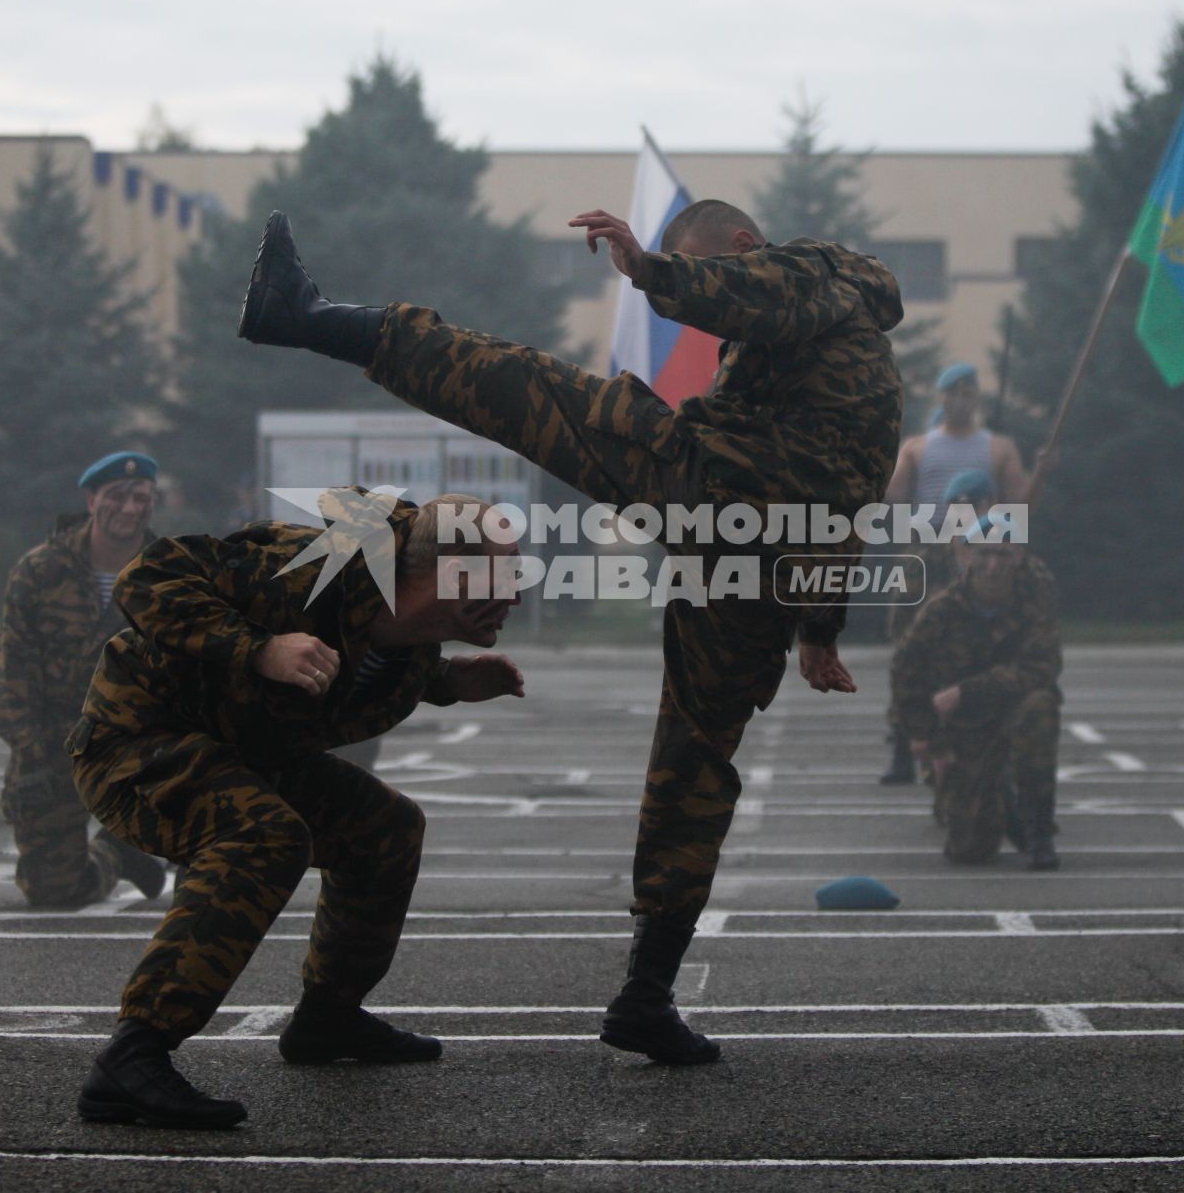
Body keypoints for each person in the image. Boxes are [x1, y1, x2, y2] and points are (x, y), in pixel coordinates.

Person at [236, 201, 903, 1065]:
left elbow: (749, 294)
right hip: (759, 555)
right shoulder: (826, 357)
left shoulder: (821, 273)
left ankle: (310, 317)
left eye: (705, 265)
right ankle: (646, 997)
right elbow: (851, 499)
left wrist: (650, 268)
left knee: (525, 389)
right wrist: (818, 628)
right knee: (693, 763)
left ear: (740, 247)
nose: (707, 303)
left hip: (729, 493)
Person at [67, 489, 527, 1129]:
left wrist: (449, 684)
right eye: (502, 576)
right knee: (265, 835)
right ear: (448, 575)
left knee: (385, 828)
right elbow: (147, 576)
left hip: (252, 753)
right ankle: (132, 1054)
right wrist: (257, 646)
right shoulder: (314, 569)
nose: (515, 595)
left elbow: (355, 670)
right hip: (138, 744)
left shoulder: (411, 641)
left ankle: (327, 1019)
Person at [0, 451, 168, 907]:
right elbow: (11, 676)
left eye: (141, 499)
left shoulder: (171, 574)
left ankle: (183, 851)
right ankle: (115, 853)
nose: (130, 509)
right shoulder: (40, 571)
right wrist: (30, 756)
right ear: (91, 500)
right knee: (54, 893)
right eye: (117, 497)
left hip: (143, 748)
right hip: (58, 746)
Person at [878, 363, 1032, 783]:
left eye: (968, 393)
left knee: (978, 645)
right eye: (953, 392)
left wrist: (1042, 472)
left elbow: (1019, 499)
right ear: (942, 397)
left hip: (980, 552)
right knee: (910, 648)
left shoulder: (998, 447)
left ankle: (976, 737)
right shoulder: (916, 447)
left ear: (977, 397)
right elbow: (893, 494)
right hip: (926, 552)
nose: (961, 400)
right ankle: (905, 745)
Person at [888, 518, 1063, 870]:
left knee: (1040, 709)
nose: (992, 566)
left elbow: (1042, 667)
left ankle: (1038, 831)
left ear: (1018, 556)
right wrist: (922, 734)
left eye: (1002, 554)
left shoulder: (1034, 605)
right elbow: (905, 669)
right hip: (965, 730)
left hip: (1012, 708)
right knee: (969, 852)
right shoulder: (943, 610)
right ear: (966, 556)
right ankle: (1003, 806)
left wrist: (968, 691)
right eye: (983, 554)